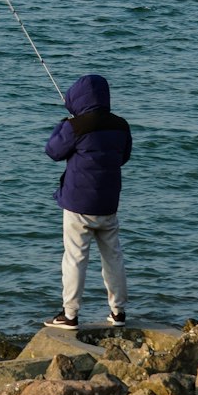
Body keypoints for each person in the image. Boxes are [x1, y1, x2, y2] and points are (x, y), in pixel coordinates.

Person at [43, 72, 131, 329]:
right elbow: (123, 156)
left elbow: (53, 151)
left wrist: (64, 124)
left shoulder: (75, 126)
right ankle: (118, 312)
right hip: (108, 203)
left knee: (75, 258)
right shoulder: (121, 125)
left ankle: (70, 315)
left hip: (78, 204)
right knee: (113, 257)